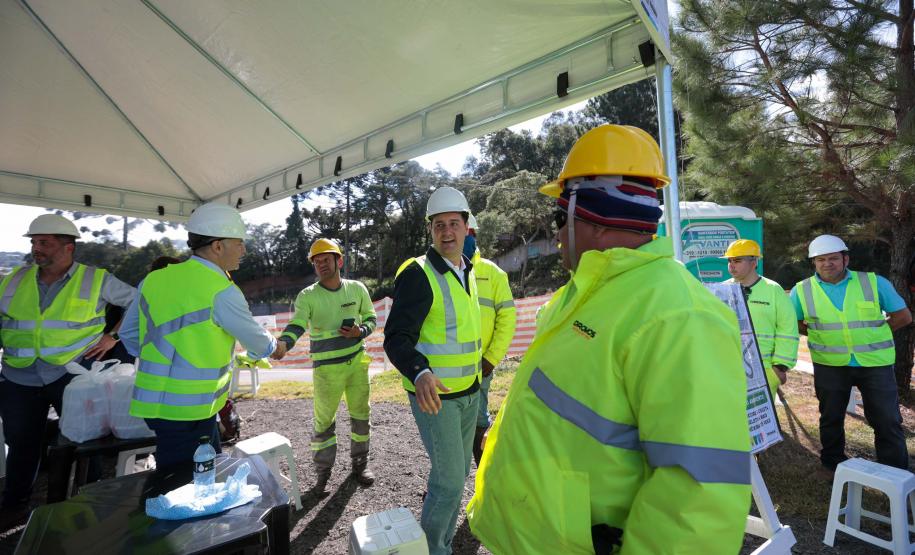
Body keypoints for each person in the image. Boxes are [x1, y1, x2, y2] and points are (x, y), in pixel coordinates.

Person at [466, 125, 752, 554]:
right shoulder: (586, 292)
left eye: (558, 219)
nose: (558, 234)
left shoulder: (679, 316)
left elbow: (699, 502)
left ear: (590, 216)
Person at [121, 202, 279, 473]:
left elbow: (129, 334)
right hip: (192, 409)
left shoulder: (154, 280)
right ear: (218, 246)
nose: (243, 250)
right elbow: (261, 344)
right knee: (185, 490)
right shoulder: (221, 290)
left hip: (154, 406)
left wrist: (161, 360)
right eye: (238, 243)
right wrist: (278, 345)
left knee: (196, 473)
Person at [0, 214, 137, 527]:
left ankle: (92, 500)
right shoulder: (14, 278)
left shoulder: (96, 278)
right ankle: (14, 505)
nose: (36, 248)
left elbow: (139, 302)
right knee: (21, 442)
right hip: (18, 376)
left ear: (67, 247)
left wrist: (112, 335)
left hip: (73, 374)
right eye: (34, 242)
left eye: (44, 242)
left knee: (85, 440)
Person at [384, 186, 482, 555]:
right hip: (436, 398)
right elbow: (395, 338)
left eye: (454, 224)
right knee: (449, 481)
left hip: (469, 392)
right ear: (430, 230)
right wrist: (419, 371)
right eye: (438, 225)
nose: (446, 232)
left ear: (466, 227)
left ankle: (438, 544)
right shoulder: (418, 274)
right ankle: (432, 549)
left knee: (454, 481)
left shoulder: (465, 269)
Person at [790, 234, 912, 471]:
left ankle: (895, 470)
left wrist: (876, 334)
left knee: (887, 420)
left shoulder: (874, 282)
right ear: (813, 263)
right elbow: (793, 322)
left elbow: (903, 316)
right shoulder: (801, 290)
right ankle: (833, 466)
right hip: (830, 364)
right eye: (821, 259)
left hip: (874, 364)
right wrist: (821, 335)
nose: (827, 264)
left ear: (845, 259)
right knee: (831, 418)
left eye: (833, 258)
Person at [271, 237, 377, 495]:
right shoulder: (308, 296)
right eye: (317, 262)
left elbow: (372, 319)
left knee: (361, 417)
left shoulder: (357, 289)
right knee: (324, 424)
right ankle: (323, 474)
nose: (321, 265)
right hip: (326, 372)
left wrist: (359, 332)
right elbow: (297, 325)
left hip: (356, 366)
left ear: (339, 260)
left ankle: (360, 465)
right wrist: (284, 344)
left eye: (326, 260)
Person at [464, 214, 516, 465]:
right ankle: (449, 484)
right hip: (446, 370)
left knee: (478, 421)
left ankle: (482, 480)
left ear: (473, 235)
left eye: (467, 233)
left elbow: (507, 320)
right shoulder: (437, 273)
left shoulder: (492, 273)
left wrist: (491, 359)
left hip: (480, 366)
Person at [723, 239, 798, 398]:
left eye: (737, 260)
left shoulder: (773, 290)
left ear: (754, 262)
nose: (731, 265)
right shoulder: (722, 290)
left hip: (764, 371)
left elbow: (788, 329)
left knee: (760, 420)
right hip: (728, 367)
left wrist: (780, 368)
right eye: (729, 261)